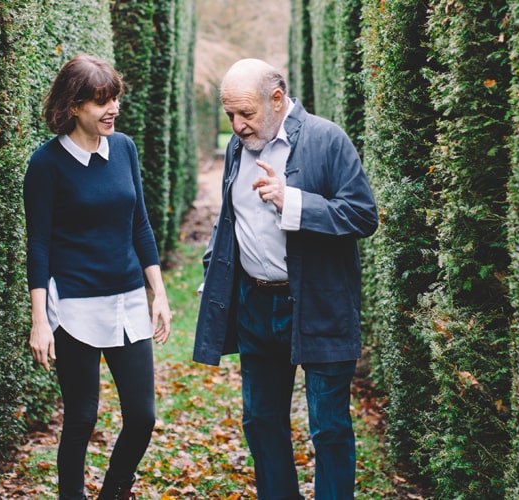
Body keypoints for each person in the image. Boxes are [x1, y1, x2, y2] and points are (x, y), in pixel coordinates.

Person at [193, 58, 379, 499]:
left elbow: (362, 215)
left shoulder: (326, 139)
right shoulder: (240, 147)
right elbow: (231, 218)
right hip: (256, 305)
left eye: (246, 114)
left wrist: (292, 202)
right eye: (230, 116)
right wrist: (214, 270)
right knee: (260, 420)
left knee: (329, 427)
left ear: (277, 99)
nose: (237, 126)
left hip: (320, 302)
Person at [24, 54, 171, 500]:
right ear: (73, 106)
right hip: (73, 306)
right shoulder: (46, 165)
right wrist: (39, 320)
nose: (112, 110)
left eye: (115, 99)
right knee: (83, 416)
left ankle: (113, 492)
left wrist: (158, 293)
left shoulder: (123, 148)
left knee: (143, 416)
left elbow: (140, 225)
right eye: (100, 102)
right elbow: (39, 245)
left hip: (127, 300)